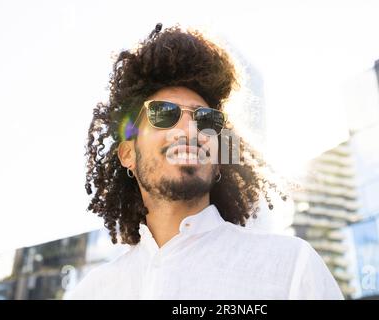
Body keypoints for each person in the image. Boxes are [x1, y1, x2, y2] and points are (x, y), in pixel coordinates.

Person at [65, 23, 343, 300]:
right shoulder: (91, 292)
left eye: (206, 120)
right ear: (127, 155)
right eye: (163, 114)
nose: (190, 130)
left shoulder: (291, 267)